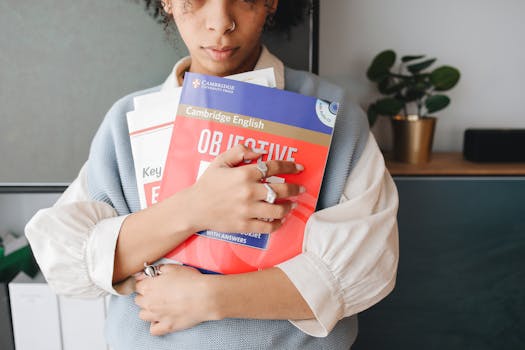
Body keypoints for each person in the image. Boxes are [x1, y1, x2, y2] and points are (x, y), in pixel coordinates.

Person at [25, 1, 399, 349]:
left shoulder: (333, 115)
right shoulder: (129, 121)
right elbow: (67, 256)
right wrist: (196, 209)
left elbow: (366, 267)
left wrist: (208, 298)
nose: (221, 22)